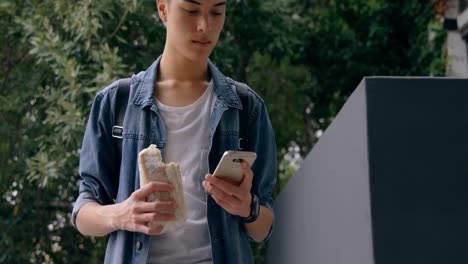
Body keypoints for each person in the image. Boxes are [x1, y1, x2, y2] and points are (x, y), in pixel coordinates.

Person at [71, 0, 277, 263]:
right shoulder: (116, 102)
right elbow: (83, 212)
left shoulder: (246, 107)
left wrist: (248, 207)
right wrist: (122, 214)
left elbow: (264, 227)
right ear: (163, 8)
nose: (205, 26)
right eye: (191, 10)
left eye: (216, 12)